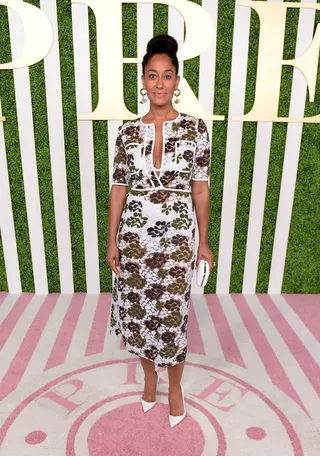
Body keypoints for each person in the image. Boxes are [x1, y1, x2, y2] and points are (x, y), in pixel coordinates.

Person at [107, 34, 215, 427]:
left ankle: (174, 386)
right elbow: (119, 188)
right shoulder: (126, 133)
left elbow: (199, 188)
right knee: (138, 311)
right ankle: (149, 378)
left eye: (167, 76)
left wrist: (204, 243)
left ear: (177, 81)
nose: (159, 84)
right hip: (135, 239)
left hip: (175, 239)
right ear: (142, 80)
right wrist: (111, 241)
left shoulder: (195, 130)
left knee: (171, 314)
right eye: (152, 76)